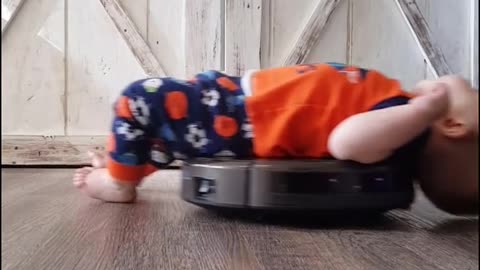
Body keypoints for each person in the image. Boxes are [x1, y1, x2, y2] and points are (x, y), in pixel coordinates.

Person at [72, 63, 478, 215]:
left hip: (244, 116)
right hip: (243, 103)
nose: (462, 81)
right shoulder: (403, 112)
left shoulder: (408, 122)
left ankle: (118, 183)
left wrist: (423, 111)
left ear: (454, 124)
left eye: (471, 91)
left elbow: (347, 142)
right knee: (164, 137)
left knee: (139, 97)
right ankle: (126, 163)